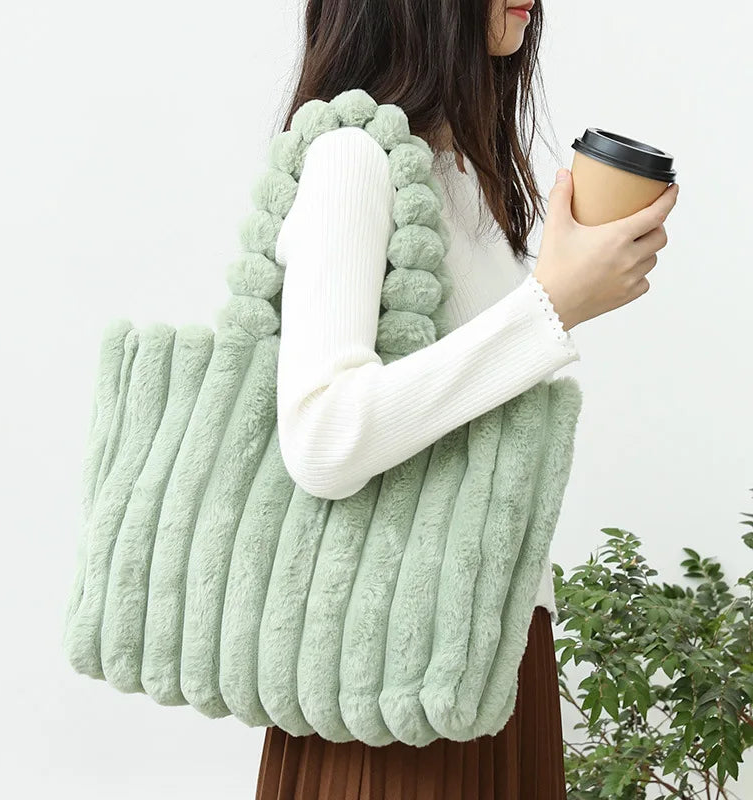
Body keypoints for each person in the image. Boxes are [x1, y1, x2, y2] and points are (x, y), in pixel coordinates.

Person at [255, 1, 679, 797]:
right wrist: (550, 307)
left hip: (488, 648)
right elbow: (322, 436)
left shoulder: (461, 180)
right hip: (390, 673)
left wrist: (557, 289)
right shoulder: (354, 159)